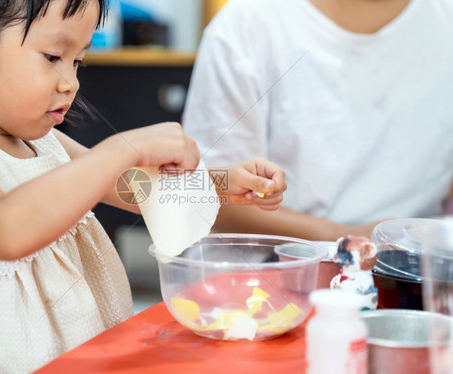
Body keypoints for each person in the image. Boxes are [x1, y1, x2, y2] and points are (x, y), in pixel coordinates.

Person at [0, 0, 286, 372]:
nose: (71, 83)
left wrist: (220, 182)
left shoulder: (41, 141)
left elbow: (129, 188)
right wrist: (122, 148)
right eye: (52, 57)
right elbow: (6, 230)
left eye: (77, 61)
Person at [183, 0, 453, 241]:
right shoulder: (247, 23)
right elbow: (210, 197)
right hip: (269, 269)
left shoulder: (443, 20)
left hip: (420, 270)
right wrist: (349, 239)